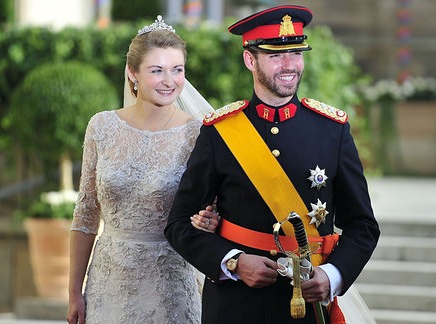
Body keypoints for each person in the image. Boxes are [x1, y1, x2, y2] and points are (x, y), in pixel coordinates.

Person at [165, 5, 380, 324]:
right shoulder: (220, 133)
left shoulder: (332, 130)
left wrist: (333, 275)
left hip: (308, 308)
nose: (290, 65)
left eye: (296, 53)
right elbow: (178, 223)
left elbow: (363, 225)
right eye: (276, 55)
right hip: (235, 306)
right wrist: (234, 261)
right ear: (250, 60)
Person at [67, 16, 219, 324]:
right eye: (157, 70)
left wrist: (209, 219)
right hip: (107, 284)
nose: (169, 80)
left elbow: (213, 208)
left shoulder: (200, 133)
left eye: (177, 70)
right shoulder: (101, 126)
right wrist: (74, 293)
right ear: (132, 73)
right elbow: (85, 215)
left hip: (170, 284)